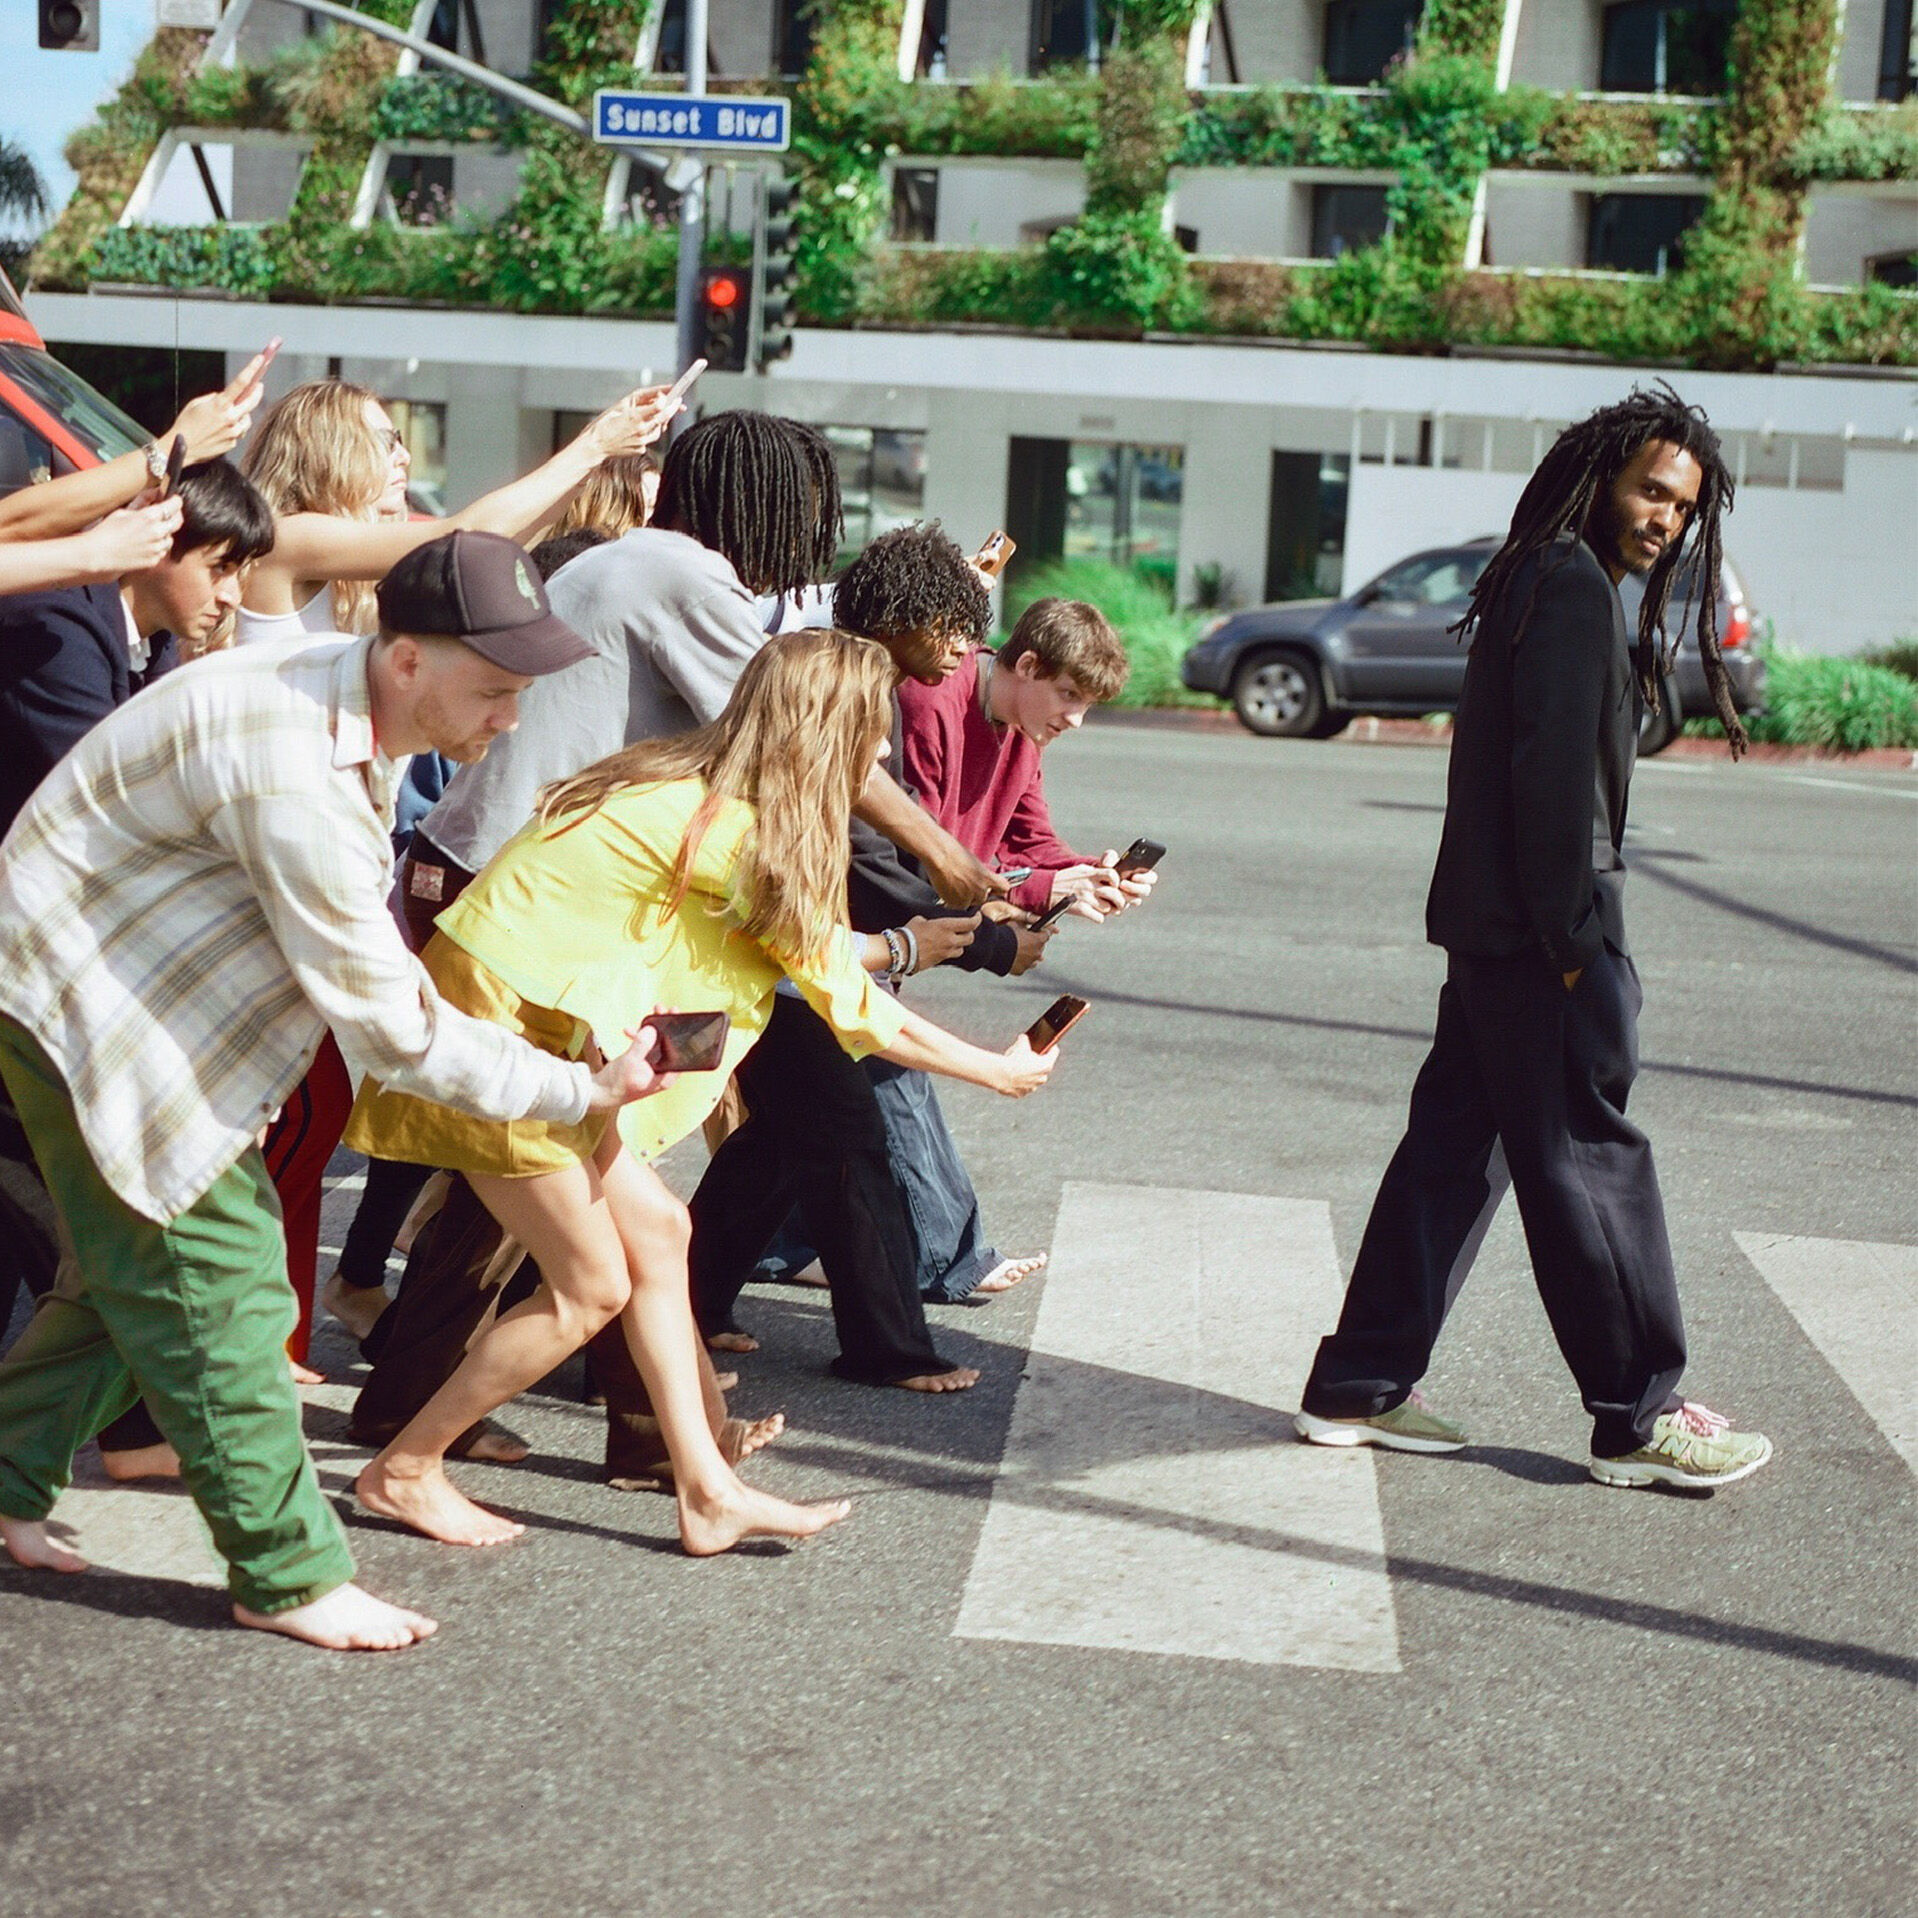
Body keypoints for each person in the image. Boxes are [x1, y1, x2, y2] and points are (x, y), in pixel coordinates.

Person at [0, 528, 675, 1650]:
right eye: (495, 689)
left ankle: (7, 1475)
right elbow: (396, 1028)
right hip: (86, 1001)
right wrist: (577, 1088)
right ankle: (286, 1573)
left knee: (138, 1268)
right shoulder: (296, 763)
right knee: (222, 1283)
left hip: (112, 975)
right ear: (406, 658)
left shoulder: (346, 685)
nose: (511, 718)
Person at [345, 413, 1003, 1452]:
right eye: (802, 510)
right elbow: (798, 729)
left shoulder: (632, 564)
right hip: (542, 911)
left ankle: (648, 1427)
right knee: (576, 1164)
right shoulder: (680, 575)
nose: (804, 540)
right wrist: (953, 870)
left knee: (584, 1172)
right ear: (761, 502)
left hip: (531, 888)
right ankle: (570, 1421)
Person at [344, 629, 1055, 1551]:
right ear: (822, 734)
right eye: (866, 736)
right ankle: (403, 1470)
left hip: (537, 1020)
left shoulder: (687, 782)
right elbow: (858, 1010)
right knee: (588, 1289)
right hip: (506, 1028)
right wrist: (998, 1068)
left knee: (662, 1234)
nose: (879, 754)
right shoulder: (742, 834)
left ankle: (705, 1491)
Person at [1294, 383, 1773, 1491]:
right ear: (1599, 477)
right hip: (1541, 938)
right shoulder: (1567, 588)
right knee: (1590, 1162)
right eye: (1651, 489)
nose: (1665, 517)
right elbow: (1554, 793)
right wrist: (1576, 949)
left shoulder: (1537, 575)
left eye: (1683, 506)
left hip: (1494, 934)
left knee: (1451, 1156)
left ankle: (1357, 1383)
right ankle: (1637, 1415)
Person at [0, 460, 277, 1404]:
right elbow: (119, 797)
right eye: (220, 568)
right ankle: (131, 1425)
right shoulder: (59, 629)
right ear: (159, 545)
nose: (231, 594)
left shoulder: (143, 645)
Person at [236, 376, 675, 644]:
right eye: (388, 443)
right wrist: (595, 442)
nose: (404, 458)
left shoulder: (332, 555)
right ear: (330, 451)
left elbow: (486, 547)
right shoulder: (288, 537)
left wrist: (598, 455)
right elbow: (460, 537)